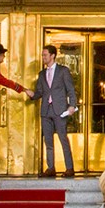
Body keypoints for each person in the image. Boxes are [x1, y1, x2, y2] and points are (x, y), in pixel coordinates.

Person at [35, 44, 80, 177]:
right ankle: (51, 168)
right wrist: (30, 93)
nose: (43, 57)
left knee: (62, 138)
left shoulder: (63, 71)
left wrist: (72, 105)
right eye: (43, 55)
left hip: (60, 110)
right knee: (48, 140)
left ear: (52, 55)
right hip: (46, 111)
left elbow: (70, 89)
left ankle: (69, 168)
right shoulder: (41, 74)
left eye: (45, 55)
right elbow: (39, 92)